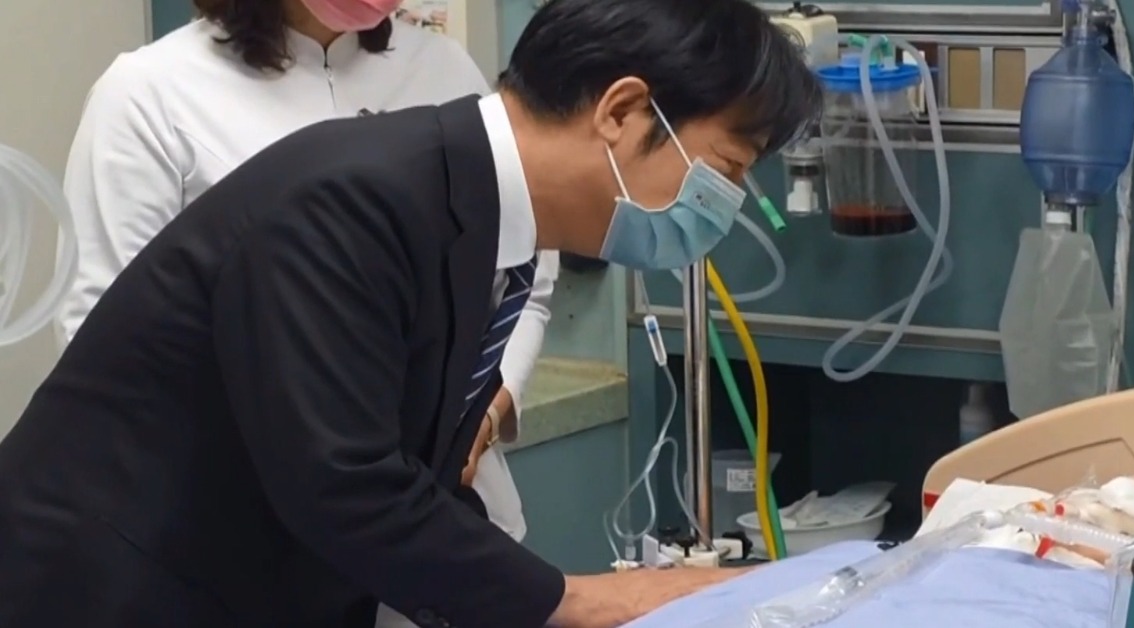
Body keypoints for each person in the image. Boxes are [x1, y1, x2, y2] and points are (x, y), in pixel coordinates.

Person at [0, 0, 821, 626]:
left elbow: (406, 462)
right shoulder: (354, 202)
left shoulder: (468, 206)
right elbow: (346, 482)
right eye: (726, 168)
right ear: (621, 111)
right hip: (116, 583)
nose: (726, 203)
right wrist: (581, 600)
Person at [54, 4, 553, 625]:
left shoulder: (445, 70)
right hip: (249, 545)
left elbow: (524, 277)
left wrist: (487, 407)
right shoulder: (150, 93)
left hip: (451, 534)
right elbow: (109, 341)